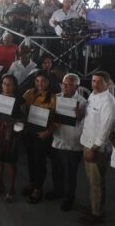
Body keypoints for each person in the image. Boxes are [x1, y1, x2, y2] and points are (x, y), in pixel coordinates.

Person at [79, 71, 115, 225]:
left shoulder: (109, 103)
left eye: (99, 81)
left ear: (107, 84)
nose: (94, 84)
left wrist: (93, 149)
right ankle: (93, 205)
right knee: (92, 180)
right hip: (87, 143)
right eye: (93, 81)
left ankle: (96, 214)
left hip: (97, 148)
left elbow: (106, 129)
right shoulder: (93, 95)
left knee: (97, 182)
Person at [47, 73, 87, 212]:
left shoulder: (82, 102)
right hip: (57, 140)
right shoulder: (56, 98)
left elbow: (86, 123)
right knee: (56, 169)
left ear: (76, 86)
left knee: (70, 173)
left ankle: (69, 199)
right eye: (64, 84)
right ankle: (58, 191)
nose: (66, 87)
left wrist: (80, 116)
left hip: (73, 142)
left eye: (70, 85)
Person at [0, 74, 22, 203]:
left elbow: (22, 119)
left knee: (10, 163)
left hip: (10, 135)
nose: (6, 86)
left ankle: (11, 190)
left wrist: (12, 121)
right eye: (4, 83)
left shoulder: (19, 100)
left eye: (9, 84)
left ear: (14, 86)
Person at [22, 70, 56, 204]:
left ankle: (38, 189)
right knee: (30, 160)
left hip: (42, 134)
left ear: (48, 82)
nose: (40, 84)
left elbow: (56, 119)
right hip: (29, 132)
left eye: (43, 81)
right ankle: (32, 183)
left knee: (39, 162)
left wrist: (47, 132)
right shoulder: (29, 93)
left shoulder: (53, 97)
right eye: (37, 81)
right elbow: (22, 108)